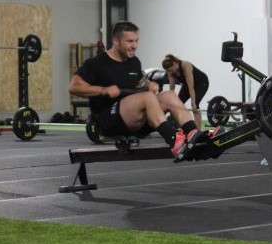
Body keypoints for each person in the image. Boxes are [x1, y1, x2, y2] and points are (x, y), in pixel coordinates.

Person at [69, 21, 204, 161]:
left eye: (136, 41)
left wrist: (149, 85)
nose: (135, 45)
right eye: (129, 41)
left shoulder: (134, 62)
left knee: (169, 96)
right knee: (147, 98)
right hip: (109, 120)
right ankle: (175, 141)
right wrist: (103, 90)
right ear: (116, 40)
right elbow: (74, 87)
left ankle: (194, 134)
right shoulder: (96, 63)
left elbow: (141, 83)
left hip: (135, 121)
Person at [162, 54, 209, 129]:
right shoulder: (170, 72)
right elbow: (171, 90)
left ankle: (198, 130)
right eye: (168, 71)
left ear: (174, 64)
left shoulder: (185, 65)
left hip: (201, 83)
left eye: (170, 70)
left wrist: (193, 102)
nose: (169, 73)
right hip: (187, 85)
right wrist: (171, 104)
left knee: (195, 105)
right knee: (178, 104)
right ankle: (178, 126)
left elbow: (191, 88)